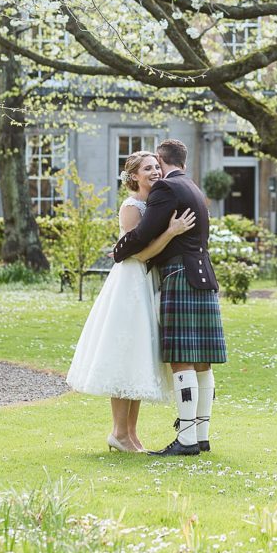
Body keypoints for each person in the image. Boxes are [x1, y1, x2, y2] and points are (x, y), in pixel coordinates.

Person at [66, 151, 195, 452]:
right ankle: (118, 432)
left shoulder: (154, 204)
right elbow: (139, 253)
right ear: (134, 176)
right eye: (147, 168)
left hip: (146, 282)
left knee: (137, 358)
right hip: (130, 284)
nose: (155, 172)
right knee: (124, 357)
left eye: (156, 167)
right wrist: (172, 231)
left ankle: (130, 434)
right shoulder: (131, 207)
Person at [112, 138, 226, 457]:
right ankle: (200, 436)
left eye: (154, 165)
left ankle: (187, 440)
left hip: (180, 275)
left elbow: (144, 232)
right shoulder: (193, 187)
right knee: (203, 362)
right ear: (185, 162)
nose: (154, 172)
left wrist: (119, 250)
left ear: (161, 161)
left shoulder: (166, 189)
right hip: (203, 273)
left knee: (182, 358)